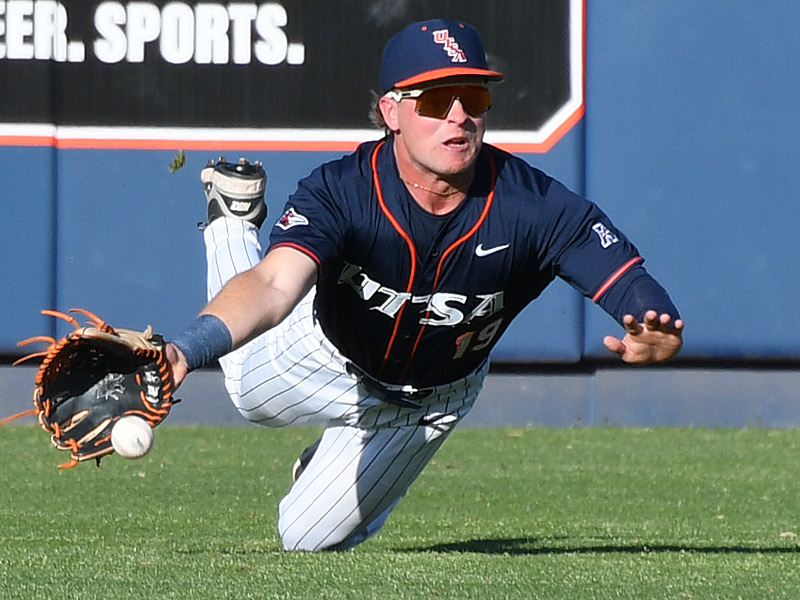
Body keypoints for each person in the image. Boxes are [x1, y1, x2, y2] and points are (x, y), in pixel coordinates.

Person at [165, 18, 684, 552]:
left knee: (304, 539)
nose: (459, 117)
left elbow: (625, 280)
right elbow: (274, 285)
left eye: (473, 96)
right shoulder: (343, 190)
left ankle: (331, 460)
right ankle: (232, 218)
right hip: (325, 353)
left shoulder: (532, 206)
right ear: (392, 111)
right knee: (246, 387)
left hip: (430, 399)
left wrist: (652, 319)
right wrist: (185, 349)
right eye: (435, 100)